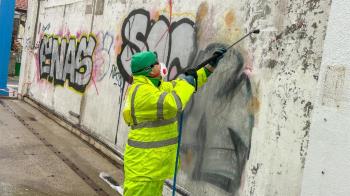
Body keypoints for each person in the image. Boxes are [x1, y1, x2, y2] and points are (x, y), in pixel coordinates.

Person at [122, 48, 226, 196]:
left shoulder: (155, 86)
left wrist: (209, 68)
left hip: (151, 167)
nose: (160, 64)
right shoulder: (142, 93)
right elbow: (173, 103)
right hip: (143, 171)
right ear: (150, 71)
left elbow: (179, 86)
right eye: (156, 63)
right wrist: (186, 83)